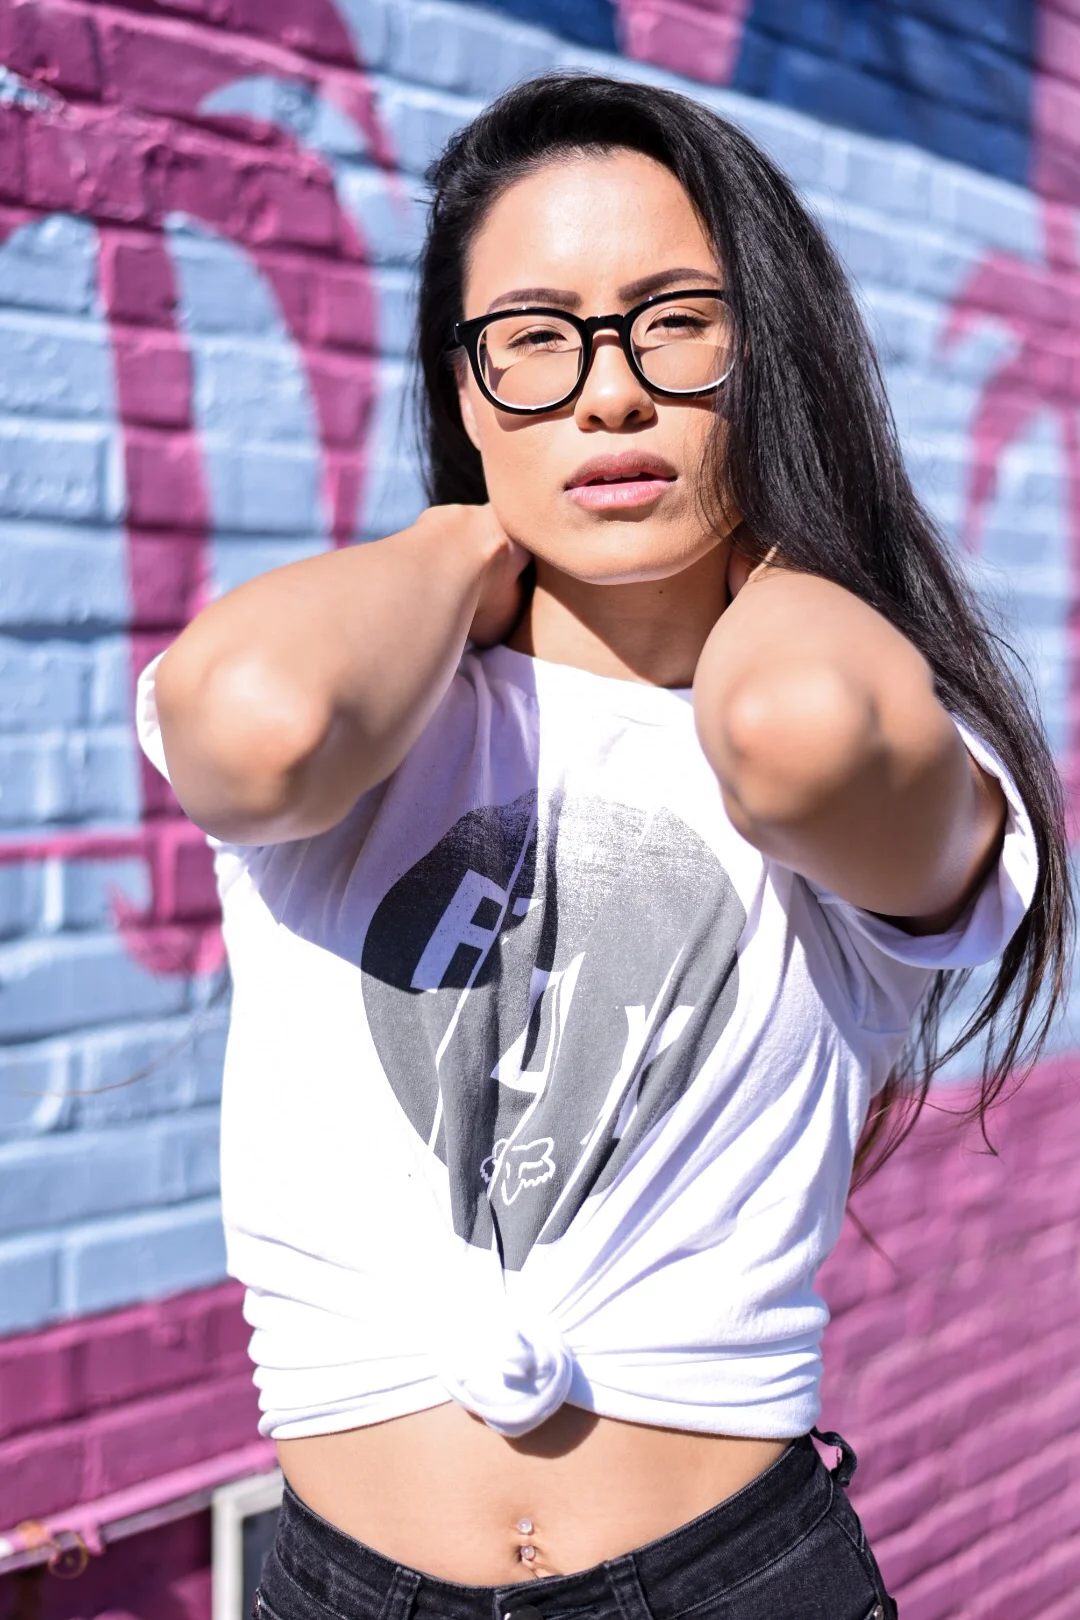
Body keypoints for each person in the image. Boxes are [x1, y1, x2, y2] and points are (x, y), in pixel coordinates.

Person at [137, 73, 1070, 1620]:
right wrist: (462, 533)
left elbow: (799, 736)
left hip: (728, 1582)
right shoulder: (378, 704)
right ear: (461, 387)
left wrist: (770, 536)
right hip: (341, 1587)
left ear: (770, 356)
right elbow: (260, 728)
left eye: (675, 324)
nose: (608, 394)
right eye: (534, 338)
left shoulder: (880, 720)